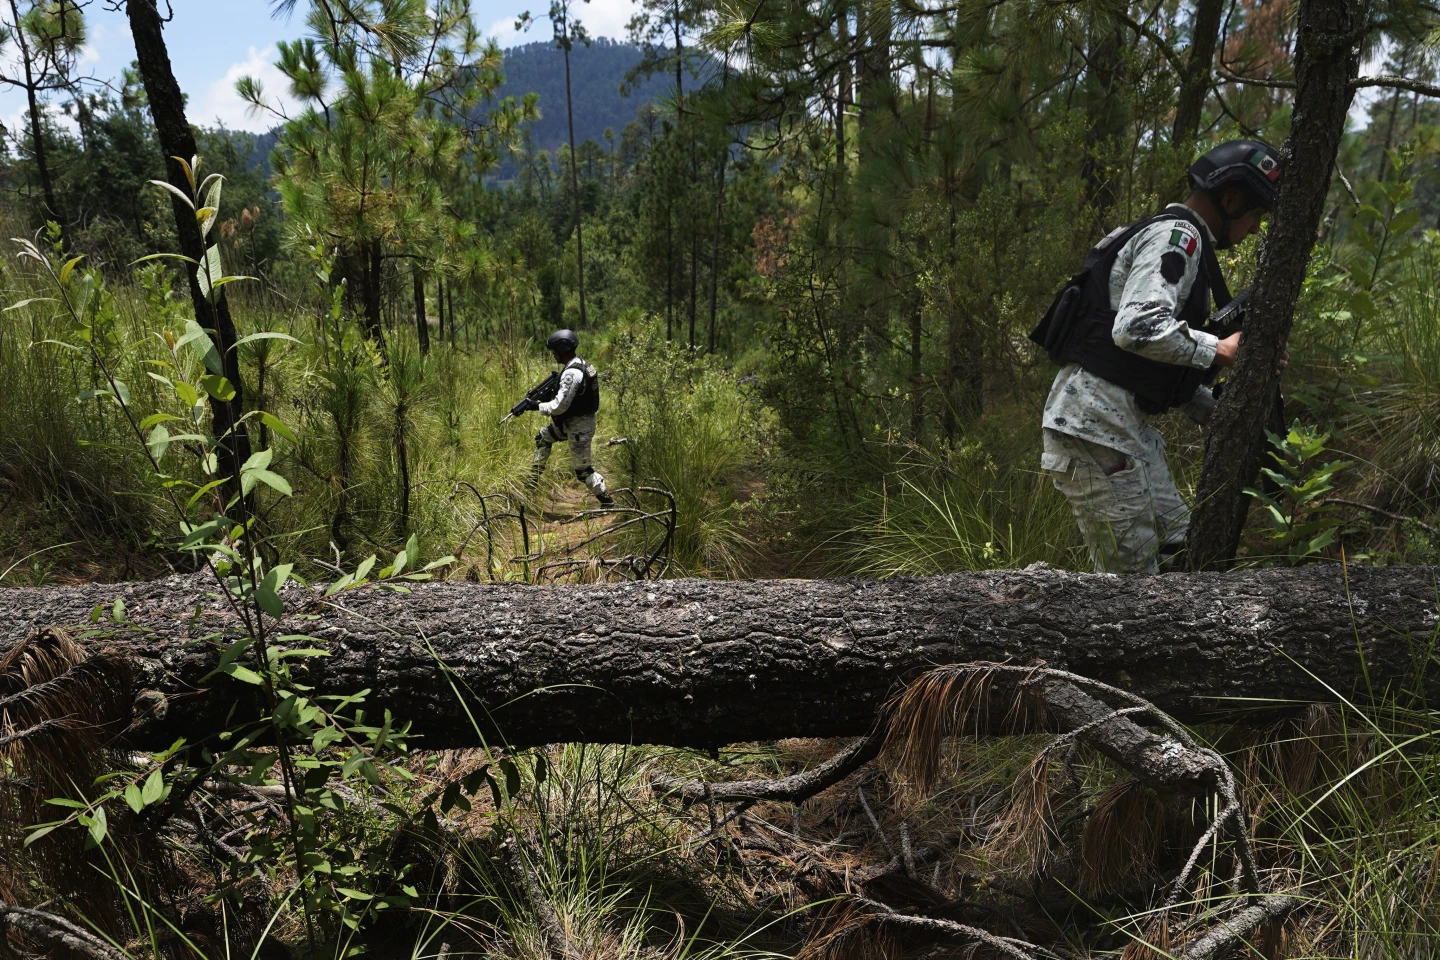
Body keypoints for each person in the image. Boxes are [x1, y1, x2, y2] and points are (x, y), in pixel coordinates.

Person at [1035, 139, 1282, 573]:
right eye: (1256, 215)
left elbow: (1145, 363)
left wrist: (1218, 410)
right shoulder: (1178, 237)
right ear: (1230, 199)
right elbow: (1135, 330)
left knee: (1181, 549)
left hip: (1117, 429)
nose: (1256, 229)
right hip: (1096, 432)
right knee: (1133, 591)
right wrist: (1221, 350)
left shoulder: (1172, 239)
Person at [523, 329, 615, 507]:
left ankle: (608, 502)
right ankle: (532, 483)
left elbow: (559, 406)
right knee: (543, 437)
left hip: (579, 427)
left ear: (563, 349)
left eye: (554, 350)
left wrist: (536, 406)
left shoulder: (572, 373)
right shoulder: (580, 364)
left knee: (583, 471)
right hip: (571, 424)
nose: (553, 354)